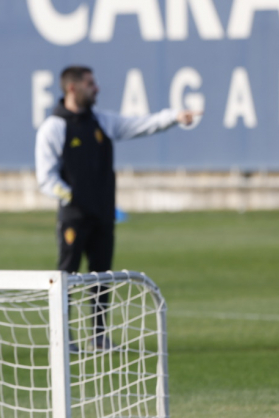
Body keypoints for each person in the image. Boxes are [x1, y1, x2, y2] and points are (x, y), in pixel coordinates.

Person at [35, 65, 199, 347]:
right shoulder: (54, 127)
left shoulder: (101, 121)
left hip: (103, 214)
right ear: (72, 88)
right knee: (67, 276)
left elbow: (138, 125)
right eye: (90, 84)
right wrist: (73, 196)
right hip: (74, 217)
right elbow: (45, 177)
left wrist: (173, 117)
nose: (96, 88)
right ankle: (63, 335)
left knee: (102, 276)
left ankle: (98, 336)